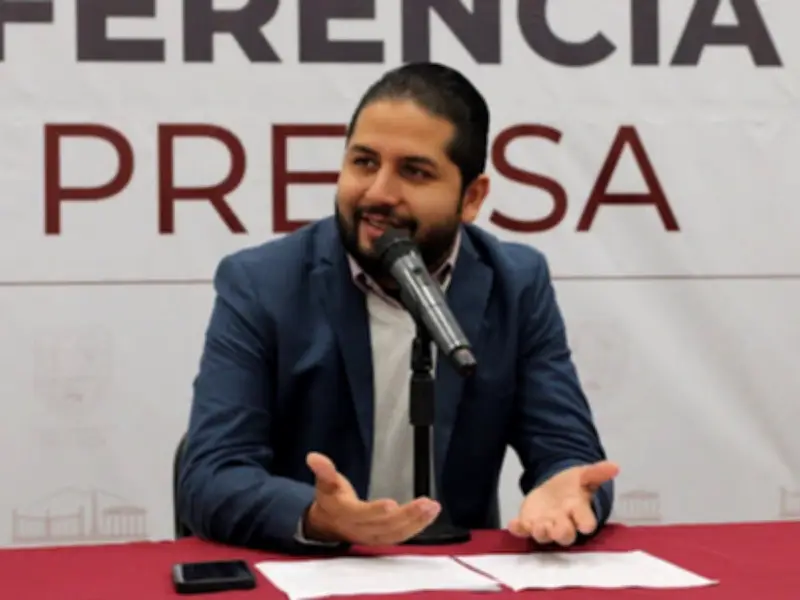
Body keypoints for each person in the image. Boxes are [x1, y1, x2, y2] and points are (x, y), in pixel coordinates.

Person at [177, 62, 618, 553]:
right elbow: (212, 476)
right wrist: (317, 518)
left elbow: (569, 455)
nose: (378, 193)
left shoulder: (516, 283)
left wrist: (569, 490)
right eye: (364, 162)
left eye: (414, 171)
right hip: (310, 570)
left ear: (471, 197)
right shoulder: (262, 283)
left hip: (455, 571)